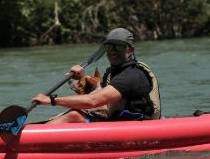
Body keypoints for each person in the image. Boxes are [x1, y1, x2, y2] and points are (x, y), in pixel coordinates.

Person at [31, 28, 161, 123]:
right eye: (109, 47)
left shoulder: (131, 75)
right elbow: (97, 98)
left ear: (130, 50)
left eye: (119, 47)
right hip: (117, 123)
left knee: (74, 116)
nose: (112, 51)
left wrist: (52, 100)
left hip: (136, 127)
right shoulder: (113, 72)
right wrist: (82, 78)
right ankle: (32, 130)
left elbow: (92, 101)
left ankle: (30, 140)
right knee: (76, 113)